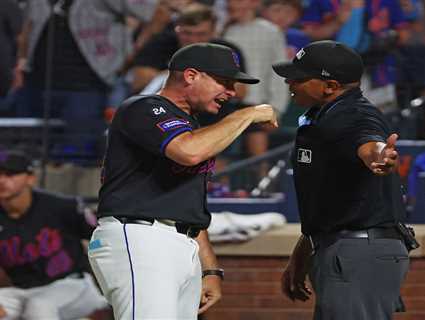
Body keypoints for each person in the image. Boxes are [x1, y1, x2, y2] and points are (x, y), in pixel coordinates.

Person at [87, 42, 278, 320]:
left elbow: (186, 205)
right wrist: (246, 114)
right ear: (190, 76)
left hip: (176, 242)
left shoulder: (191, 127)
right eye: (224, 82)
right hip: (140, 237)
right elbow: (188, 152)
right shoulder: (144, 107)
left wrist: (209, 269)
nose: (232, 92)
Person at [272, 40, 410, 320]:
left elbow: (369, 141)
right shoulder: (324, 115)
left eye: (299, 77)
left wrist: (379, 156)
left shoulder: (354, 114)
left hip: (357, 250)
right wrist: (304, 252)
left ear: (330, 86)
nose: (290, 81)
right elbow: (330, 201)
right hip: (343, 247)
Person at [14, 0, 157, 159]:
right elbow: (24, 25)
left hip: (86, 87)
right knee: (26, 153)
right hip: (36, 83)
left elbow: (152, 11)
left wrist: (136, 50)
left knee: (76, 154)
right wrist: (21, 61)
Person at [0, 150, 108, 320]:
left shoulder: (61, 207)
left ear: (30, 178)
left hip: (72, 285)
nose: (2, 181)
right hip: (22, 291)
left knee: (39, 308)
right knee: (34, 305)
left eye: (10, 174)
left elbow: (103, 238)